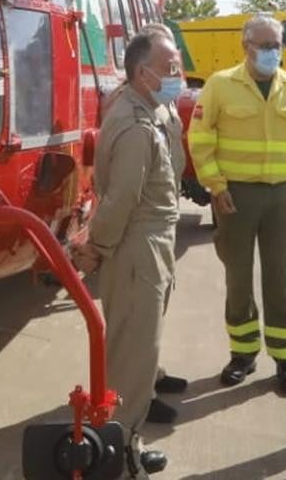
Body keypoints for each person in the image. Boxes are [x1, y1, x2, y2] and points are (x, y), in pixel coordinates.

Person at [187, 15, 286, 392]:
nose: (271, 52)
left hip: (281, 195)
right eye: (263, 45)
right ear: (245, 46)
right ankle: (243, 355)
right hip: (236, 196)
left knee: (281, 277)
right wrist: (215, 185)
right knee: (238, 276)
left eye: (276, 44)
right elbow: (200, 137)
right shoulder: (220, 85)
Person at [71, 30, 185, 478]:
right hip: (139, 248)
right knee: (131, 360)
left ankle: (122, 441)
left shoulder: (149, 107)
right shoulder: (137, 126)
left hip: (151, 242)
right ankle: (121, 458)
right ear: (144, 73)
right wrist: (95, 249)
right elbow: (119, 201)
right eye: (170, 67)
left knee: (138, 348)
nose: (177, 76)